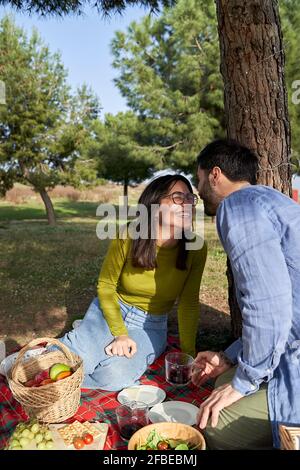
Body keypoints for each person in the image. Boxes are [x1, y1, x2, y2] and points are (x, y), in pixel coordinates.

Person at [192, 139, 300, 450]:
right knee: (222, 382)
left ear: (215, 174)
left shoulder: (236, 207)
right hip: (291, 345)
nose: (198, 191)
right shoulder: (271, 200)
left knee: (212, 427)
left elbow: (268, 303)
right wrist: (231, 355)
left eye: (198, 179)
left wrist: (245, 380)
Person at [59, 174, 207, 391]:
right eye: (177, 197)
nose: (187, 204)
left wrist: (189, 355)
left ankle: (86, 348)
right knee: (68, 362)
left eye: (189, 198)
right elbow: (106, 285)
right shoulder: (129, 235)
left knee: (113, 377)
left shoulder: (196, 248)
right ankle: (84, 340)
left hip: (151, 326)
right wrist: (120, 333)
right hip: (112, 312)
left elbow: (189, 304)